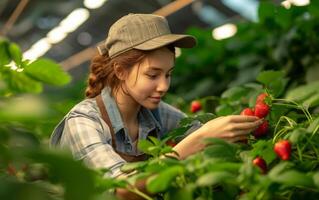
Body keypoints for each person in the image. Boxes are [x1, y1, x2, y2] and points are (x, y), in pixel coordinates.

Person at [50, 13, 263, 199]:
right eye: (152, 75)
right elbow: (124, 191)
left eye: (168, 74)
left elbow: (209, 137)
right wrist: (197, 141)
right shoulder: (83, 122)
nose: (163, 86)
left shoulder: (157, 113)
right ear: (120, 71)